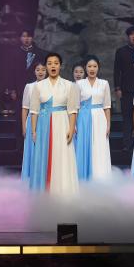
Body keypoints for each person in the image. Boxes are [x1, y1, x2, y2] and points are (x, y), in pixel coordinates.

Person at [28, 53, 80, 195]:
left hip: (62, 124)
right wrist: (34, 131)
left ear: (60, 66)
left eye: (56, 63)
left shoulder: (69, 85)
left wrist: (71, 128)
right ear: (46, 66)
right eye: (50, 63)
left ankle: (62, 191)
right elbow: (34, 111)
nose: (53, 66)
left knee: (62, 156)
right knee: (43, 157)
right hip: (43, 126)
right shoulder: (39, 86)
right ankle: (42, 192)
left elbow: (72, 110)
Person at [75, 56, 113, 181]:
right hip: (83, 119)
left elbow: (107, 106)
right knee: (84, 146)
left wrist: (108, 125)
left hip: (100, 118)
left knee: (99, 147)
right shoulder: (79, 84)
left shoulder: (104, 83)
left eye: (95, 66)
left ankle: (100, 177)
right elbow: (75, 107)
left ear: (98, 68)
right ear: (85, 68)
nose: (92, 69)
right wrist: (74, 124)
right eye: (89, 66)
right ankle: (83, 177)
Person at [8, 30, 48, 112]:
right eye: (24, 36)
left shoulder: (40, 53)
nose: (26, 39)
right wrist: (12, 90)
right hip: (19, 88)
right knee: (21, 112)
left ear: (32, 38)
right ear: (20, 38)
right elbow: (11, 72)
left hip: (36, 88)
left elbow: (44, 72)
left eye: (29, 36)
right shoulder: (14, 53)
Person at [19, 62, 47, 182]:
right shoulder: (29, 87)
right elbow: (25, 108)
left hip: (46, 120)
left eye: (43, 69)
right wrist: (24, 127)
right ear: (34, 71)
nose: (40, 72)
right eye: (38, 69)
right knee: (32, 149)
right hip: (32, 121)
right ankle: (31, 177)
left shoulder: (50, 86)